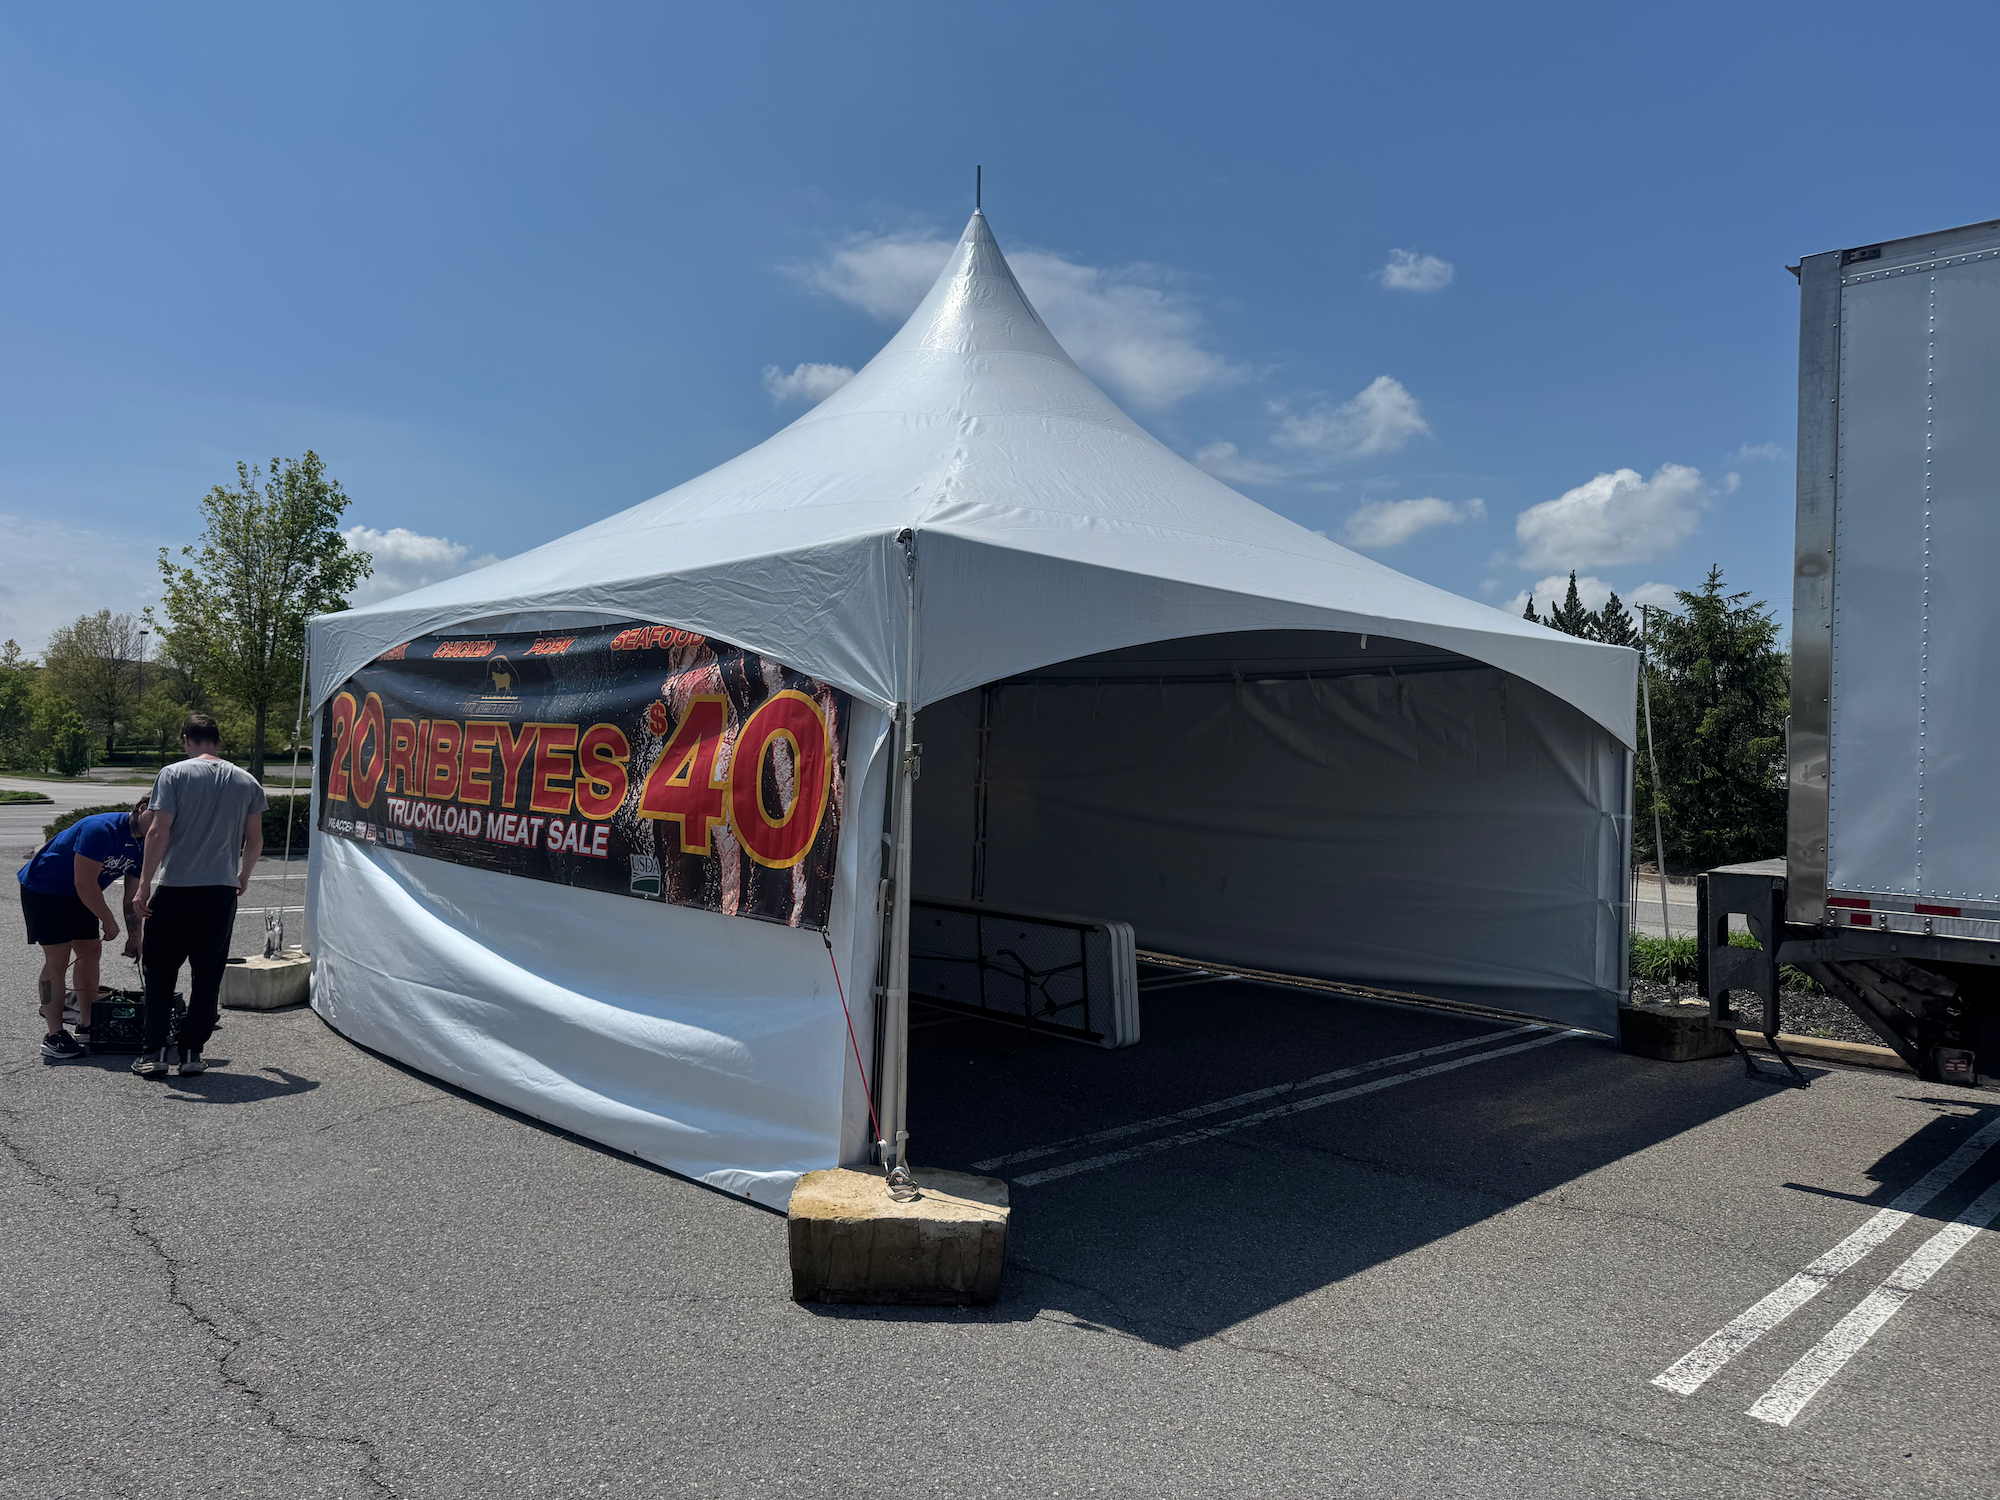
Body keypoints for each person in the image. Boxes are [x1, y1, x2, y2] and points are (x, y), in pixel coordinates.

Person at [131, 713, 266, 1078]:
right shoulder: (247, 780)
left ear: (185, 739)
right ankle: (192, 1052)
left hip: (176, 888)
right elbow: (255, 839)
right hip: (220, 891)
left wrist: (144, 883)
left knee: (160, 972)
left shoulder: (173, 774)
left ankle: (154, 1052)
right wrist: (243, 876)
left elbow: (158, 831)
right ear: (218, 741)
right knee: (207, 975)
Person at [17, 796, 153, 1060]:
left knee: (90, 953)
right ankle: (54, 1035)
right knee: (58, 957)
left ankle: (88, 1025)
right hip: (45, 887)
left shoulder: (145, 844)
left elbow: (131, 898)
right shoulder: (100, 829)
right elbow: (85, 883)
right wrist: (108, 921)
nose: (161, 826)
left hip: (81, 894)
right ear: (143, 808)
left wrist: (135, 937)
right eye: (158, 817)